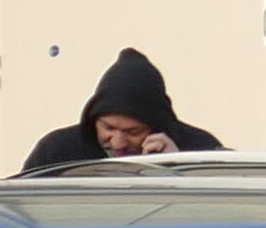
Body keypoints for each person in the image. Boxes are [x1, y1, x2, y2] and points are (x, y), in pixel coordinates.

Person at [22, 48, 220, 174]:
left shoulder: (200, 149)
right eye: (108, 128)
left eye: (133, 132)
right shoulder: (56, 151)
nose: (118, 142)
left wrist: (180, 164)